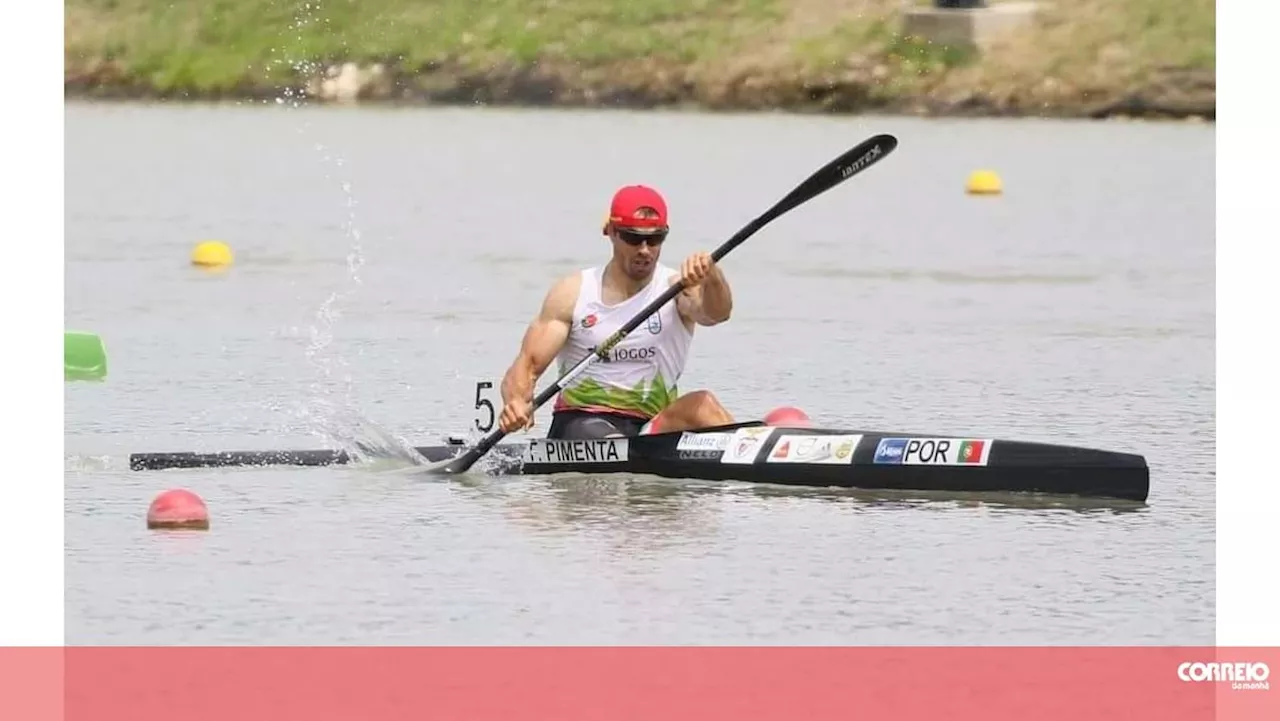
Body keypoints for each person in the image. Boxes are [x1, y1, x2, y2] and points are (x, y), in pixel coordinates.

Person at [497, 184, 736, 439]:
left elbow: (716, 314)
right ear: (611, 232)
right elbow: (527, 366)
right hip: (582, 422)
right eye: (633, 238)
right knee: (602, 437)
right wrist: (516, 402)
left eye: (655, 239)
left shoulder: (677, 288)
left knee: (704, 405)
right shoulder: (573, 293)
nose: (645, 249)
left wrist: (713, 276)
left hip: (650, 428)